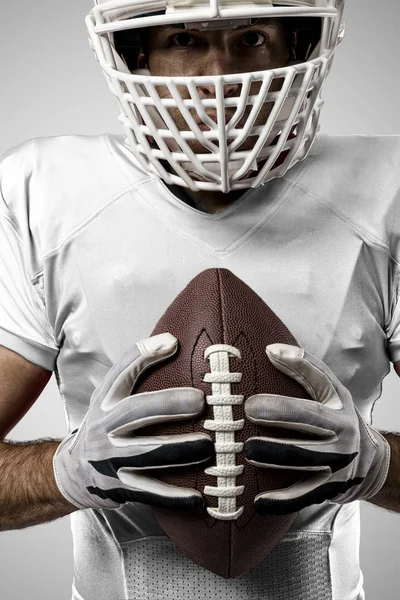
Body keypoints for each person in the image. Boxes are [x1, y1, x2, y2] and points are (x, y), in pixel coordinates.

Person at [0, 0, 399, 598]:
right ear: (138, 56)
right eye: (185, 38)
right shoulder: (46, 194)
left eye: (252, 38)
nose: (219, 76)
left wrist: (376, 464)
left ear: (299, 46)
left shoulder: (385, 189)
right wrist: (65, 473)